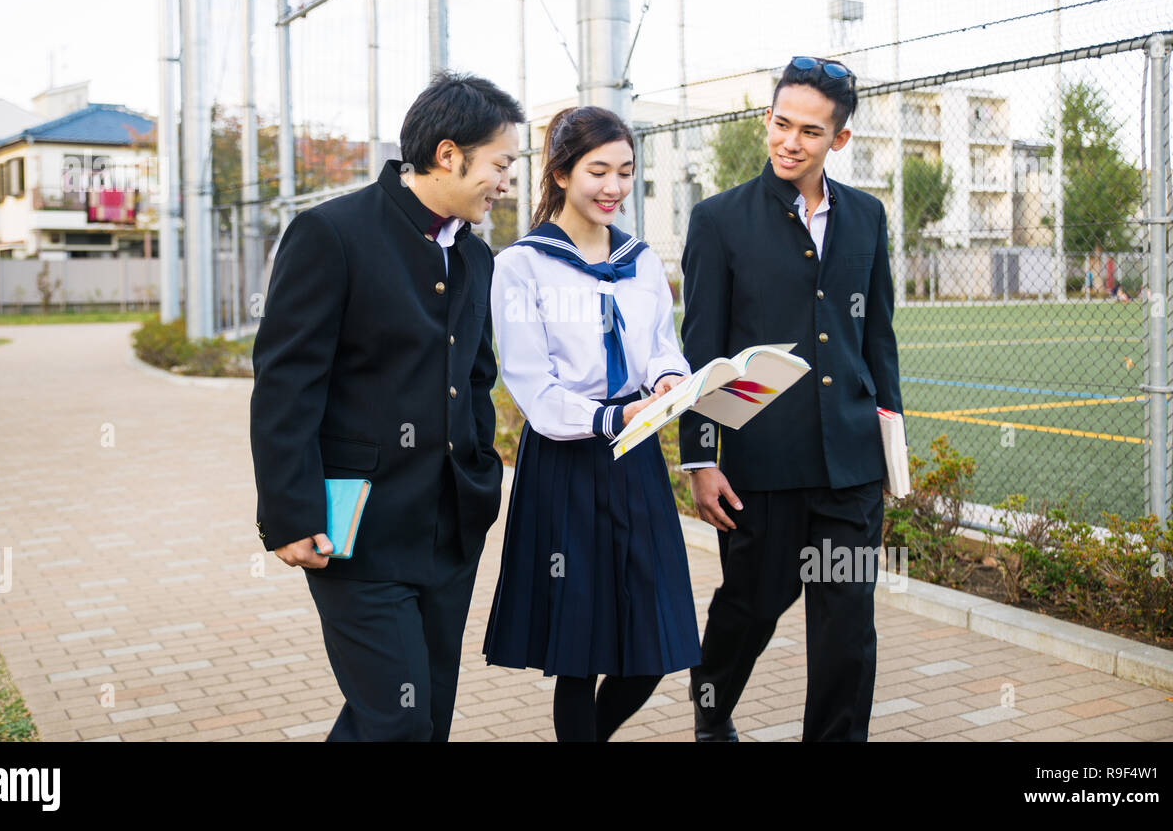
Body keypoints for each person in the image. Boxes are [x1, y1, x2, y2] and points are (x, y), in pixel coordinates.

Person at [249, 71, 524, 741]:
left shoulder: (476, 257)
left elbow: (476, 375)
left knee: (421, 715)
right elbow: (286, 385)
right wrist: (290, 513)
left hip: (451, 528)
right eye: (501, 163)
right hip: (357, 533)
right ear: (450, 154)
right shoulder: (330, 235)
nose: (506, 182)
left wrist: (481, 473)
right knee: (396, 719)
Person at [679, 56, 903, 742]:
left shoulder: (866, 216)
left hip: (850, 468)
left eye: (810, 130)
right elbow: (701, 350)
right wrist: (700, 459)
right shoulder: (719, 220)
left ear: (838, 139)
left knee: (846, 624)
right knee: (751, 606)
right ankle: (711, 712)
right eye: (780, 123)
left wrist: (891, 449)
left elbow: (879, 338)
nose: (789, 141)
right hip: (760, 466)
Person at [483, 105, 702, 742]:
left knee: (657, 639)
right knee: (577, 654)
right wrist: (611, 413)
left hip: (634, 459)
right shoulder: (519, 266)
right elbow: (531, 384)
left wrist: (666, 379)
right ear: (559, 172)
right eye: (597, 171)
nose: (613, 188)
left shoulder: (640, 260)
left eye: (626, 172)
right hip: (567, 460)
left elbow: (662, 344)